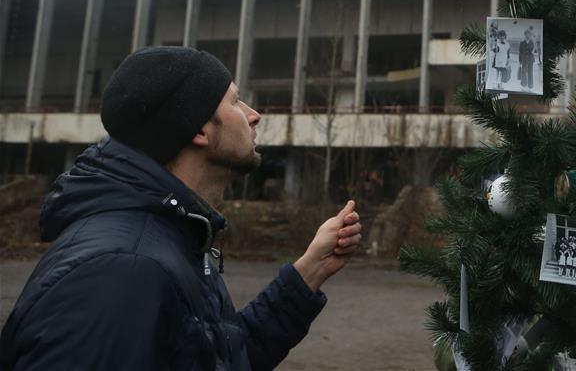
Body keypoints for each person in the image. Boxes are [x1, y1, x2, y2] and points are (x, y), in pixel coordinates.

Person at [0, 47, 363, 371]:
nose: (253, 115)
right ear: (199, 130)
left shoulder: (175, 234)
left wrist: (310, 271)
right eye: (236, 102)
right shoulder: (122, 270)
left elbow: (223, 357)